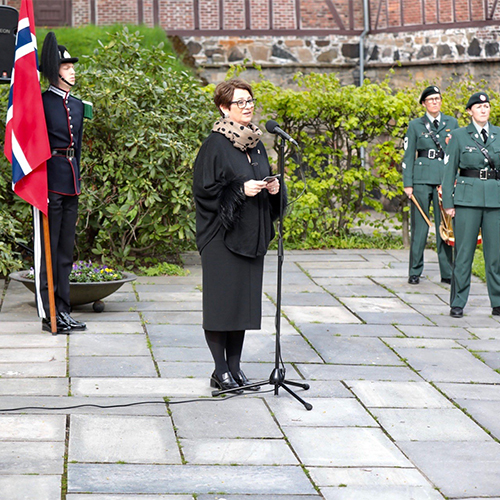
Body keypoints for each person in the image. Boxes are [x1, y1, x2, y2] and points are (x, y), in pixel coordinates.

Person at [193, 78, 283, 392]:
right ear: (224, 108)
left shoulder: (255, 143)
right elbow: (204, 191)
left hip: (249, 235)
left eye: (250, 101)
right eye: (240, 103)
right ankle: (220, 372)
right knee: (221, 306)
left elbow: (259, 178)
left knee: (241, 306)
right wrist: (238, 190)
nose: (247, 107)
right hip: (221, 236)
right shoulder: (215, 145)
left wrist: (272, 188)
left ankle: (235, 368)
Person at [36, 32, 91, 334]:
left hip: (70, 181)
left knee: (65, 252)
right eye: (67, 66)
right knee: (49, 250)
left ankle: (64, 309)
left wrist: (77, 177)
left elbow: (78, 147)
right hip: (49, 182)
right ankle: (50, 313)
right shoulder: (41, 103)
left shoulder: (79, 105)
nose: (73, 70)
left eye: (72, 66)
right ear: (55, 70)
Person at [442, 91, 500, 318]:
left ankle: (497, 301)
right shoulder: (458, 136)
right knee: (464, 253)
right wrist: (448, 202)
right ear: (470, 111)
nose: (484, 110)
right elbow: (449, 172)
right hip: (466, 200)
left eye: (487, 107)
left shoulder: (498, 134)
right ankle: (457, 302)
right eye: (478, 107)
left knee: (495, 255)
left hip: (495, 200)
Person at [402, 85, 458, 285]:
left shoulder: (452, 122)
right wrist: (408, 183)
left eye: (438, 98)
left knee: (445, 227)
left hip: (444, 180)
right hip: (421, 180)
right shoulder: (415, 125)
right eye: (431, 99)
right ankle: (415, 271)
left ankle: (448, 272)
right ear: (424, 103)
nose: (435, 102)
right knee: (420, 227)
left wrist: (455, 180)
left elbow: (456, 154)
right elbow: (408, 157)